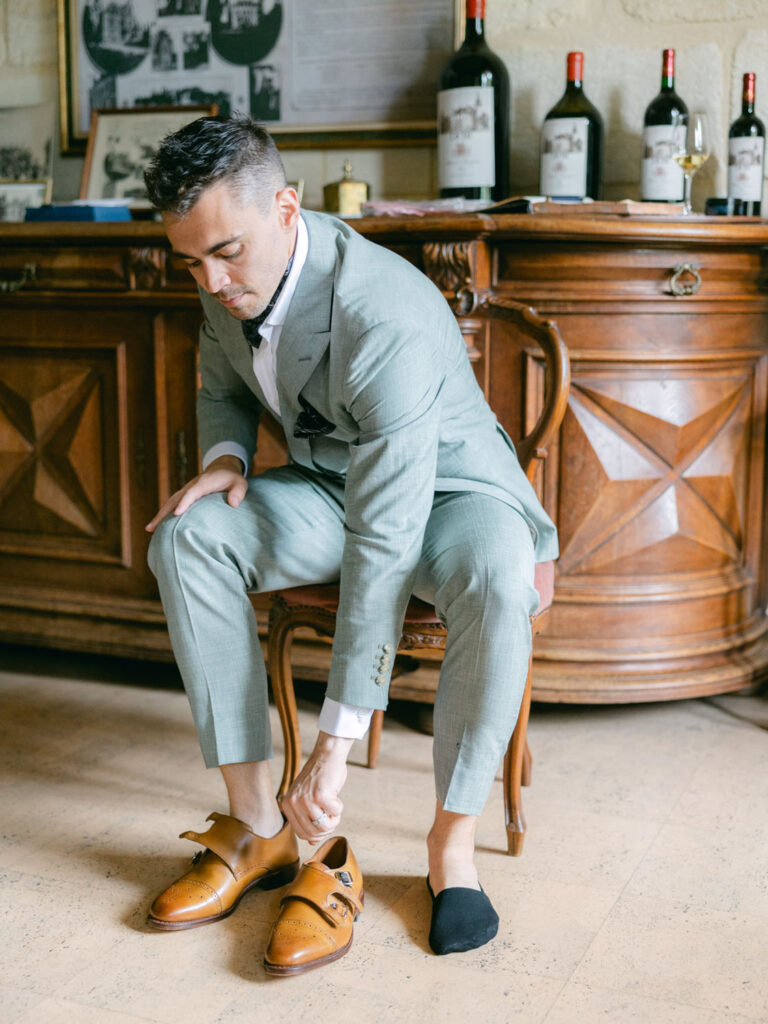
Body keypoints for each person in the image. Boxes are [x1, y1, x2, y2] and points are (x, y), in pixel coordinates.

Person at [143, 114, 558, 971]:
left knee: (496, 570)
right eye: (191, 261)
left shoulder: (382, 312)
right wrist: (224, 459)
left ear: (288, 209)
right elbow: (218, 373)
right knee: (187, 538)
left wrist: (334, 746)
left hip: (448, 491)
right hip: (331, 486)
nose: (211, 279)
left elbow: (387, 537)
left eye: (226, 253)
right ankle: (258, 826)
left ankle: (453, 845)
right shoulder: (220, 264)